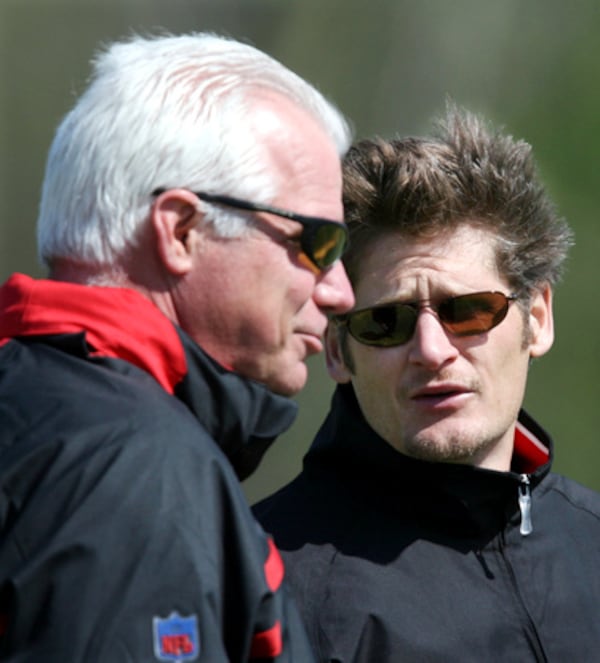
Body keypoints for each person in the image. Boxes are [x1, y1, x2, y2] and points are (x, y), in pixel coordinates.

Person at [0, 32, 355, 661]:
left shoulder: (42, 408)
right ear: (181, 231)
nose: (341, 293)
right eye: (318, 245)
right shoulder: (130, 469)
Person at [254, 106, 600, 661]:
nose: (431, 350)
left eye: (467, 311)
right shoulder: (263, 587)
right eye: (385, 322)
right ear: (338, 350)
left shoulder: (591, 541)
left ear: (537, 319)